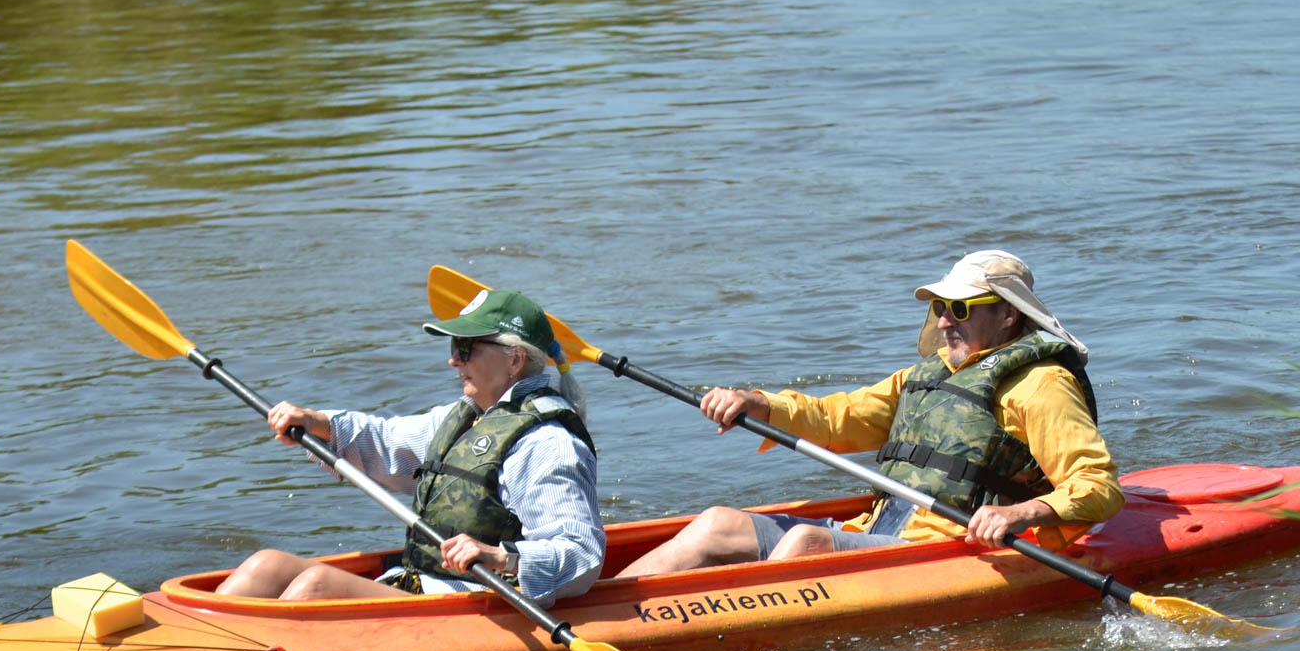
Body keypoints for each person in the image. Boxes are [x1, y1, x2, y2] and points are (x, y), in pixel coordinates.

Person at [617, 249, 1122, 576]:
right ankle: (604, 606)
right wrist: (761, 404)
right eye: (941, 307)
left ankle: (687, 639)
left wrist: (1019, 512)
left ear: (1008, 313)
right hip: (882, 533)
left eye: (961, 308)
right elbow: (840, 418)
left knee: (807, 542)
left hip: (948, 551)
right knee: (716, 523)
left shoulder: (1041, 386)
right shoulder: (922, 378)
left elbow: (1098, 486)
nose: (945, 321)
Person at [216, 288, 604, 605]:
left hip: (482, 600)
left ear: (515, 359)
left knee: (318, 586)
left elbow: (581, 552)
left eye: (466, 347)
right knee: (264, 566)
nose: (453, 360)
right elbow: (389, 443)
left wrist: (499, 556)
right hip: (424, 584)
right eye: (454, 345)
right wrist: (318, 424)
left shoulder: (548, 442)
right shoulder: (468, 416)